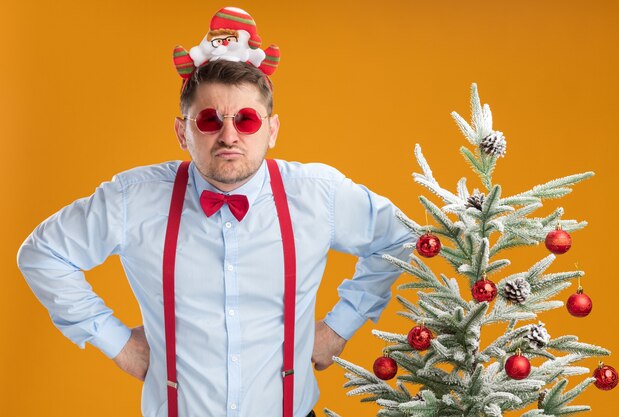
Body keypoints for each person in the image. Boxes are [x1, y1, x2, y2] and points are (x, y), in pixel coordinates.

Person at [17, 7, 414, 417]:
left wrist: (338, 327)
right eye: (208, 120)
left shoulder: (317, 195)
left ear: (272, 130)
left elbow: (402, 236)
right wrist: (115, 341)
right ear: (181, 131)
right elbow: (43, 253)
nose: (229, 136)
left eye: (246, 120)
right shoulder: (134, 199)